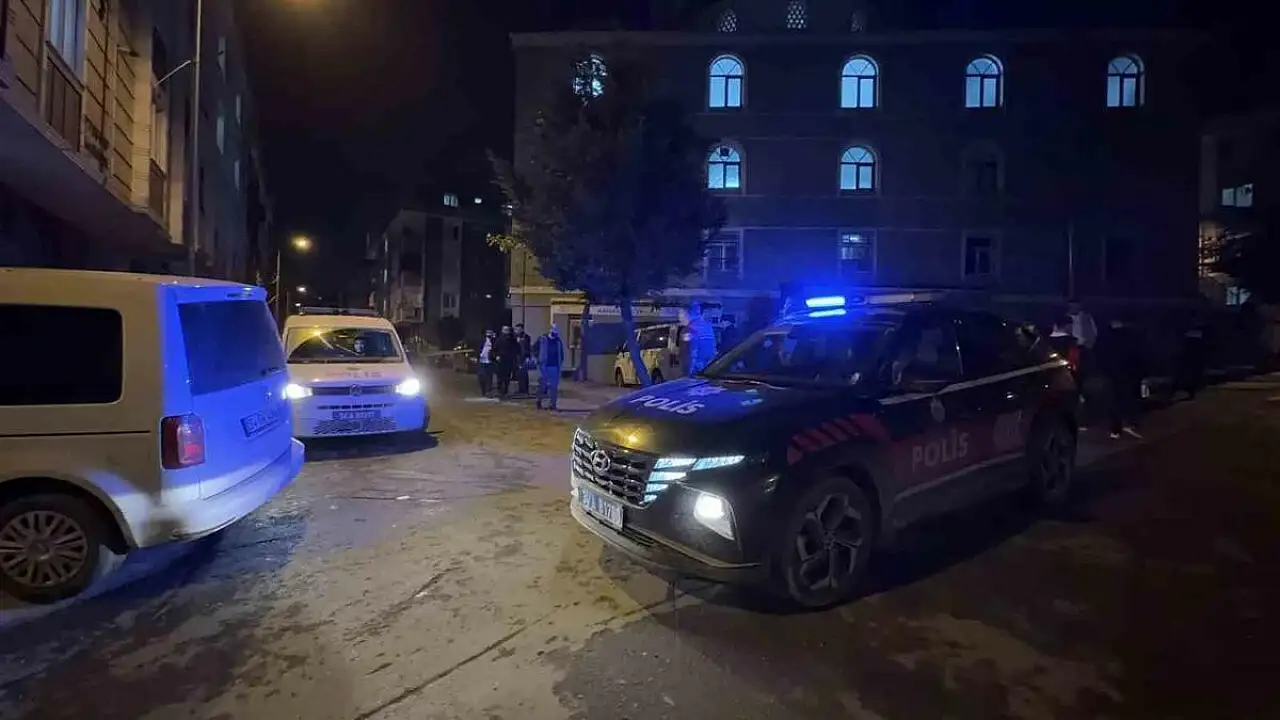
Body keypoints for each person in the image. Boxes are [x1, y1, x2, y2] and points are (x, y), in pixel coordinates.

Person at [1097, 317, 1145, 439]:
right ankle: (1129, 422)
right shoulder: (1128, 337)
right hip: (1125, 372)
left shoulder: (1104, 339)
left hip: (1110, 372)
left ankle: (1116, 428)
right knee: (1126, 397)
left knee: (1113, 400)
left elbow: (1100, 355)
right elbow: (1135, 355)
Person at [1174, 311, 1208, 400]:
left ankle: (1186, 390)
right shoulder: (1196, 327)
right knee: (1185, 371)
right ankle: (1177, 389)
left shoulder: (1194, 327)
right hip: (1191, 353)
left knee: (1187, 372)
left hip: (1192, 353)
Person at [681, 302, 719, 375]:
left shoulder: (691, 327)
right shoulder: (707, 327)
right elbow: (713, 344)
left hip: (700, 362)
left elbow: (689, 347)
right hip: (707, 362)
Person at [536, 325, 565, 410]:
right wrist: (538, 359)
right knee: (543, 386)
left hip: (555, 367)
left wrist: (560, 362)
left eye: (556, 334)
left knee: (554, 387)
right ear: (550, 332)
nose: (555, 336)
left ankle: (553, 404)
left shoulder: (558, 341)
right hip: (544, 366)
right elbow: (534, 349)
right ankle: (539, 400)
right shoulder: (542, 339)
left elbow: (561, 353)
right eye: (553, 334)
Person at [1047, 316, 1081, 381]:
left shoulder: (1044, 340)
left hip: (1047, 377)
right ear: (1068, 326)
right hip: (1066, 378)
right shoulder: (1071, 341)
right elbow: (1074, 361)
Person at [494, 326, 519, 399]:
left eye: (507, 330)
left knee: (507, 376)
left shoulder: (512, 339)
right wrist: (496, 356)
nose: (506, 331)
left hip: (509, 360)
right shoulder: (499, 339)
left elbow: (516, 348)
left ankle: (505, 391)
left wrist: (515, 357)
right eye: (505, 330)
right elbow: (495, 349)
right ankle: (499, 390)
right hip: (501, 359)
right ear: (502, 330)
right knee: (500, 376)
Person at [514, 323, 533, 396]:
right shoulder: (515, 336)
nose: (517, 330)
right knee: (519, 374)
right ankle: (521, 389)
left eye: (518, 329)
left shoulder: (526, 337)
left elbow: (527, 347)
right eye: (516, 329)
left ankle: (524, 390)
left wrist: (520, 341)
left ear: (522, 329)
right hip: (518, 357)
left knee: (524, 373)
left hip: (524, 357)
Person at [477, 330, 495, 396]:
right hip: (482, 361)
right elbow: (477, 349)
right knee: (481, 376)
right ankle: (483, 390)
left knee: (489, 377)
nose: (489, 334)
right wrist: (477, 356)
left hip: (490, 361)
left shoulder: (494, 341)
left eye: (490, 333)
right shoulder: (481, 340)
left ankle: (488, 391)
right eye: (488, 333)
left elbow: (496, 350)